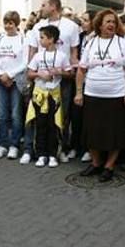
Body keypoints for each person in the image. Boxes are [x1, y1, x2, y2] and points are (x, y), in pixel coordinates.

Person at [75, 10, 125, 181]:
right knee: (92, 131)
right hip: (92, 94)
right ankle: (95, 163)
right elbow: (81, 69)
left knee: (114, 133)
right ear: (99, 24)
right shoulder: (90, 43)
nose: (111, 25)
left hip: (116, 95)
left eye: (114, 22)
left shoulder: (122, 43)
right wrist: (79, 92)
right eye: (108, 21)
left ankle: (109, 166)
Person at [28, 0, 80, 163]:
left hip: (63, 78)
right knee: (41, 116)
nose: (40, 8)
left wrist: (70, 73)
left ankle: (61, 148)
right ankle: (39, 150)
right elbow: (33, 51)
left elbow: (74, 53)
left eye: (43, 5)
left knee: (62, 115)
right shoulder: (38, 26)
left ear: (53, 6)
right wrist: (32, 75)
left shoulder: (71, 26)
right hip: (40, 81)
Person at [26, 25, 72, 168]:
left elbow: (70, 73)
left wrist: (59, 72)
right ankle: (41, 154)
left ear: (51, 39)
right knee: (40, 125)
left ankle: (53, 154)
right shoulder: (38, 56)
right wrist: (39, 74)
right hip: (39, 95)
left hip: (54, 95)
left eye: (42, 37)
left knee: (54, 125)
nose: (40, 40)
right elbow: (29, 73)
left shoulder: (62, 56)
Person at [0, 11, 27, 160]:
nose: (8, 26)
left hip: (16, 82)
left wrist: (10, 75)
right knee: (1, 114)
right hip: (1, 81)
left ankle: (14, 145)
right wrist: (1, 74)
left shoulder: (22, 39)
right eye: (6, 23)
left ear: (16, 24)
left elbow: (25, 62)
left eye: (11, 23)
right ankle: (2, 144)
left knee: (16, 115)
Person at [71, 10, 97, 162]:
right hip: (79, 79)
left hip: (93, 81)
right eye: (82, 20)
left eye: (86, 20)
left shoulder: (98, 38)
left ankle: (89, 149)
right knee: (76, 116)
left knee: (89, 117)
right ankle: (76, 146)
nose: (83, 23)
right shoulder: (80, 37)